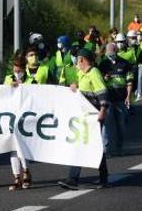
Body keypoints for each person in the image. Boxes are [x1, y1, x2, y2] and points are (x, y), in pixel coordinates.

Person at [58, 48, 109, 190]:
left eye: (77, 59)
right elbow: (83, 91)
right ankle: (103, 177)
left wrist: (103, 110)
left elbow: (103, 92)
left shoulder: (94, 73)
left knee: (82, 145)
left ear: (81, 59)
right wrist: (75, 87)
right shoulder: (81, 73)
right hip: (85, 115)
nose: (76, 62)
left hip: (95, 115)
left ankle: (73, 179)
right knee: (93, 146)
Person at [3, 56, 35, 190]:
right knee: (13, 149)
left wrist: (22, 86)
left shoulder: (32, 80)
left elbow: (35, 97)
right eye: (15, 70)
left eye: (20, 70)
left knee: (22, 147)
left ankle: (26, 172)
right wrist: (10, 88)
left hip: (25, 119)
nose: (17, 73)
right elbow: (1, 94)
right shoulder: (7, 79)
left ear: (24, 69)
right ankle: (17, 177)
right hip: (11, 117)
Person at [99, 42, 130, 156]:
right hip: (107, 99)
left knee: (121, 124)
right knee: (106, 125)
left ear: (116, 50)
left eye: (112, 51)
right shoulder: (102, 64)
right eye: (108, 51)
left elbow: (130, 81)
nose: (110, 53)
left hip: (120, 98)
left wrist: (128, 96)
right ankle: (105, 149)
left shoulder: (124, 63)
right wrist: (104, 78)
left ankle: (119, 148)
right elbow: (98, 81)